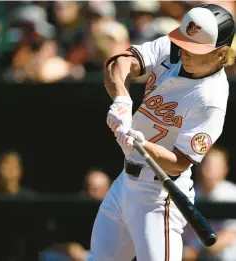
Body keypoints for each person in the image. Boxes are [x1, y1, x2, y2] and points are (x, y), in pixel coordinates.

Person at [88, 4, 235, 261]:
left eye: (196, 49)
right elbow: (121, 63)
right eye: (184, 43)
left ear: (221, 55)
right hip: (125, 182)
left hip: (158, 197)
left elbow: (179, 162)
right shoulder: (173, 47)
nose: (185, 52)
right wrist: (122, 100)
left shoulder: (211, 97)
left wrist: (141, 145)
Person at [183, 146, 236, 261]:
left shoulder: (232, 195)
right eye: (207, 164)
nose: (209, 169)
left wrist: (197, 252)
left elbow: (230, 234)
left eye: (215, 166)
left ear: (225, 169)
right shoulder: (189, 193)